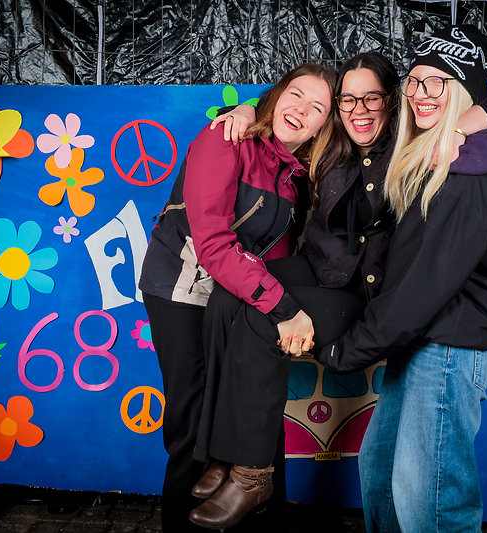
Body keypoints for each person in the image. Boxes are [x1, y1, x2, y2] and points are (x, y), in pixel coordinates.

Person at [189, 49, 487, 529]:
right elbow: (289, 108)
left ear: (391, 101)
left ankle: (252, 472)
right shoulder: (327, 141)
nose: (359, 109)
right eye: (347, 100)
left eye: (372, 98)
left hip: (387, 304)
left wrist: (459, 130)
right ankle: (227, 452)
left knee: (424, 487)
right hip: (337, 281)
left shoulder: (422, 143)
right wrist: (243, 110)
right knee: (229, 298)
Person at [315, 25, 487, 532]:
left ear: (460, 93)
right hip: (422, 338)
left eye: (438, 83)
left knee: (432, 500)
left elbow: (418, 291)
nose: (421, 93)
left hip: (452, 344)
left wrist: (345, 351)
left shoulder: (464, 179)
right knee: (381, 475)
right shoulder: (424, 148)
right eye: (414, 81)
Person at [137, 62, 336, 532]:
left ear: (324, 127)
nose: (301, 109)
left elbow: (278, 260)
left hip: (240, 300)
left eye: (317, 107)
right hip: (183, 289)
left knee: (256, 416)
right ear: (276, 94)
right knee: (192, 425)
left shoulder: (298, 175)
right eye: (296, 94)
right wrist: (284, 308)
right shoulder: (225, 137)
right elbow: (213, 244)